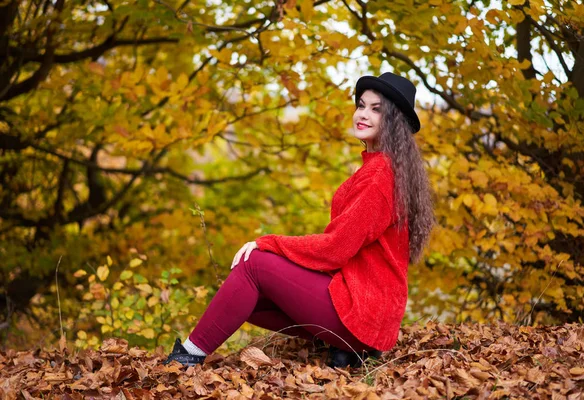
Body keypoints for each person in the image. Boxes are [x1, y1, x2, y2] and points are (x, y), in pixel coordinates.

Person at [164, 72, 436, 368]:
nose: (362, 114)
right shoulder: (381, 169)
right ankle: (342, 348)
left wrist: (266, 243)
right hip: (366, 312)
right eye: (361, 105)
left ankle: (186, 358)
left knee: (252, 265)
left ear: (395, 122)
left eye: (376, 109)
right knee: (245, 294)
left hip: (363, 314)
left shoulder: (380, 176)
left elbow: (336, 248)